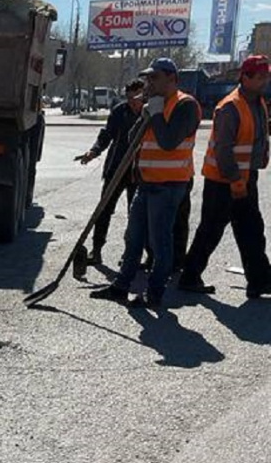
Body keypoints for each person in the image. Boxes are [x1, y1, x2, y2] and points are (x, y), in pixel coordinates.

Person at [90, 58, 201, 309]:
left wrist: (157, 112)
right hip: (146, 182)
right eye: (148, 78)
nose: (149, 83)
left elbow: (168, 141)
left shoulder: (186, 105)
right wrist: (146, 114)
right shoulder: (154, 106)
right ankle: (120, 287)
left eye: (155, 78)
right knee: (134, 237)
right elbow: (132, 138)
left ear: (172, 79)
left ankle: (154, 293)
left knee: (159, 241)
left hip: (169, 185)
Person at [177, 55, 271, 299]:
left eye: (266, 76)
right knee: (211, 229)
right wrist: (235, 180)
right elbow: (223, 149)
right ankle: (189, 276)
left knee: (251, 229)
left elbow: (258, 136)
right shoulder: (230, 106)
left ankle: (260, 281)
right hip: (224, 180)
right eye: (260, 76)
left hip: (245, 177)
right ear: (246, 77)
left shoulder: (258, 102)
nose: (265, 80)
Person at [77, 78, 145, 266]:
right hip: (116, 169)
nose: (133, 101)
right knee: (104, 210)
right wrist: (94, 151)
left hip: (138, 173)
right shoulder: (119, 112)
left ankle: (131, 255)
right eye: (130, 97)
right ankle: (96, 250)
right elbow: (106, 135)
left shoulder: (150, 113)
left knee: (136, 216)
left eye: (137, 97)